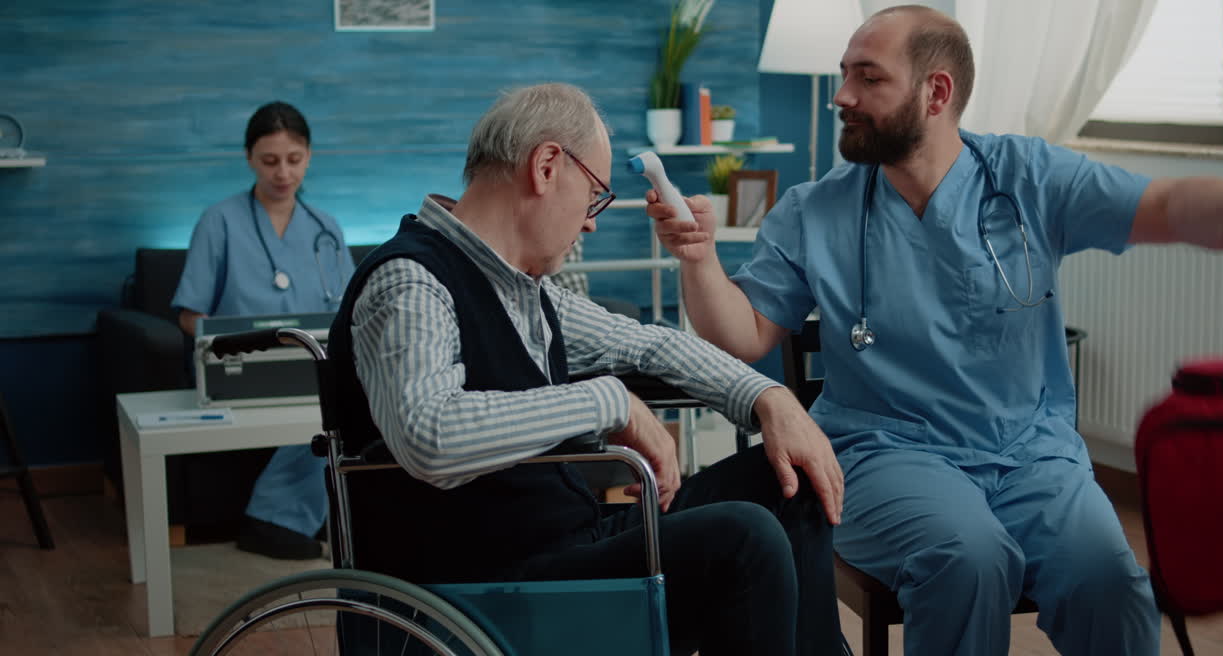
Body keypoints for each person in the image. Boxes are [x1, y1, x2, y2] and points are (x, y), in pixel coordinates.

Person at [647, 4, 1223, 656]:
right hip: (886, 454)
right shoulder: (817, 212)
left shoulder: (1029, 180)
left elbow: (1164, 206)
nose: (843, 95)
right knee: (968, 561)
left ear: (936, 93)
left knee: (1110, 582)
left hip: (1034, 455)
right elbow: (744, 336)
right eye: (845, 75)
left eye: (868, 78)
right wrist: (698, 261)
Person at [325, 83, 851, 656]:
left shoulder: (528, 290)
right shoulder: (411, 282)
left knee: (788, 477)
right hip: (487, 587)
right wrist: (611, 402)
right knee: (744, 542)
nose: (591, 223)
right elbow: (429, 434)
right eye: (595, 195)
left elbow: (647, 346)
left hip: (567, 550)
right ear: (547, 166)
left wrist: (770, 399)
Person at [173, 101, 357, 559]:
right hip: (243, 366)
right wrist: (226, 342)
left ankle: (321, 520)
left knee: (353, 402)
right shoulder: (219, 222)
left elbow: (351, 308)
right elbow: (188, 314)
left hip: (311, 363)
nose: (283, 173)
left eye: (294, 160)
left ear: (309, 156)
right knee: (326, 412)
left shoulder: (325, 228)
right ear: (249, 158)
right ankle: (272, 518)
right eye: (270, 161)